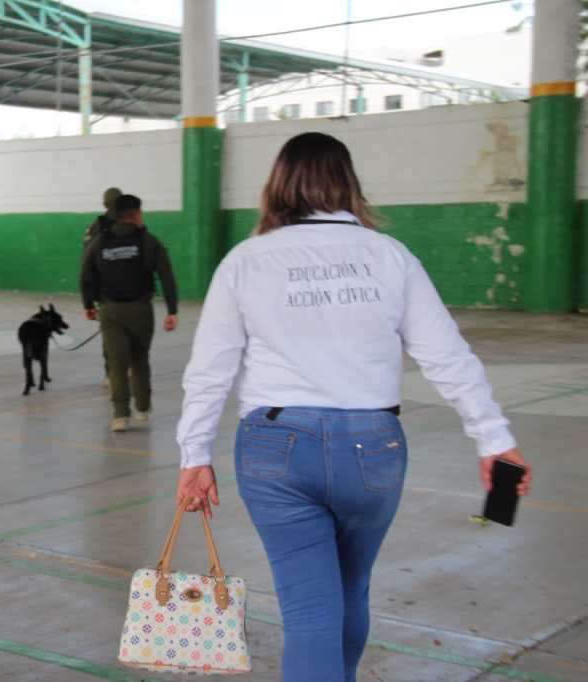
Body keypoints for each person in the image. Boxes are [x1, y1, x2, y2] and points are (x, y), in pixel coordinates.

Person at [174, 132, 532, 682]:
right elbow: (447, 357)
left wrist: (194, 454)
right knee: (349, 589)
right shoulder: (390, 257)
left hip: (275, 449)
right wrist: (494, 441)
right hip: (373, 448)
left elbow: (210, 369)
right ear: (348, 183)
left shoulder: (246, 261)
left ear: (278, 184)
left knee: (311, 612)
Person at [81, 194, 178, 432]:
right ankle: (142, 407)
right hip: (140, 310)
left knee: (116, 363)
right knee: (139, 358)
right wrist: (172, 310)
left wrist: (89, 305)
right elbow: (166, 276)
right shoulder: (148, 241)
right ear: (135, 214)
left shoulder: (99, 242)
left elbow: (86, 274)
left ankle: (120, 415)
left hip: (110, 310)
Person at [84, 187, 124, 387]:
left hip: (105, 292)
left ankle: (111, 373)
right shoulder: (132, 224)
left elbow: (87, 265)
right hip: (131, 291)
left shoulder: (94, 228)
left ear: (104, 204)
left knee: (110, 334)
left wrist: (89, 299)